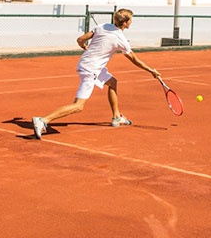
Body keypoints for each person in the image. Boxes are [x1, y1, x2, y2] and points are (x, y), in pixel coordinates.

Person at [31, 8, 160, 139]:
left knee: (113, 82)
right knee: (78, 106)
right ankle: (44, 120)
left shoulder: (103, 26)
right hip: (90, 70)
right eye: (131, 20)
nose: (132, 22)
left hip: (88, 64)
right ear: (125, 23)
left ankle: (116, 117)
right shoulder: (121, 38)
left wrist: (84, 46)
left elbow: (80, 39)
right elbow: (134, 59)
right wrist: (151, 71)